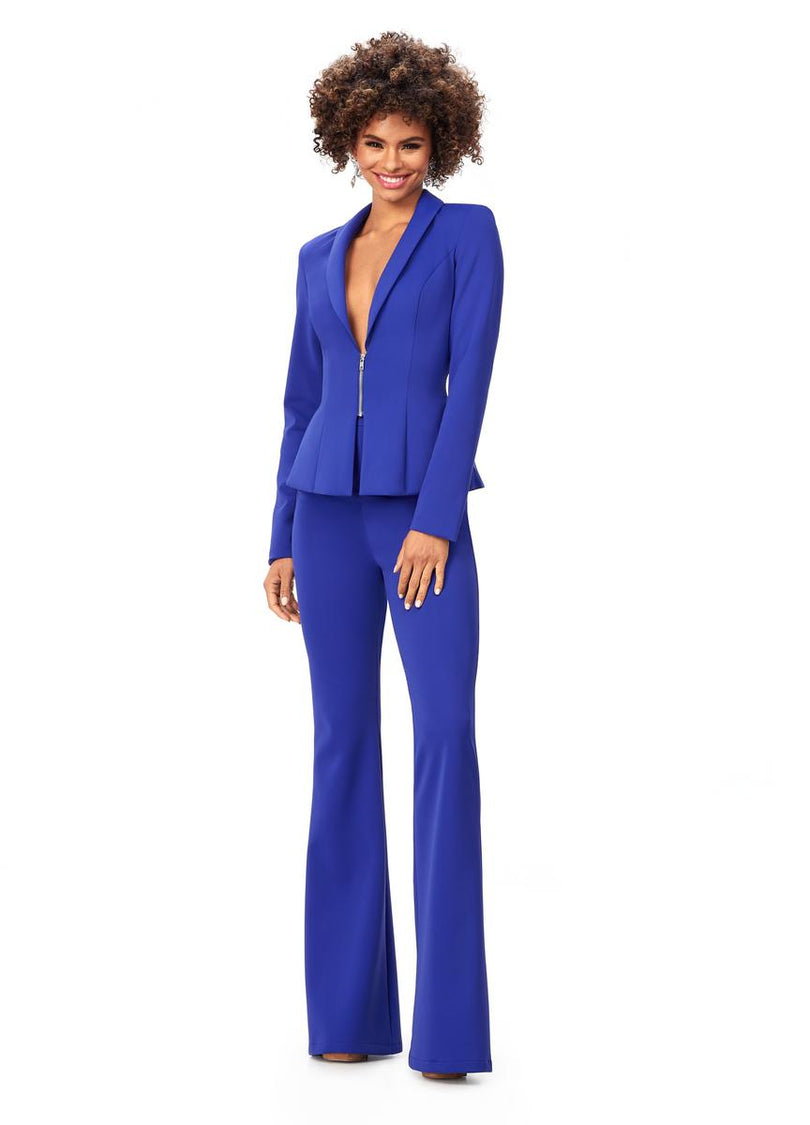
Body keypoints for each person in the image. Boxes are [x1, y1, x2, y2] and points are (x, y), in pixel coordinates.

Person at [263, 31, 504, 1080]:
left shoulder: (468, 236)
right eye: (374, 143)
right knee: (342, 746)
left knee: (444, 736)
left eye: (410, 143)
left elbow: (472, 380)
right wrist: (281, 536)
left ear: (439, 139)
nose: (393, 161)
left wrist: (435, 520)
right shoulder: (319, 255)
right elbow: (301, 402)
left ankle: (448, 1033)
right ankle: (349, 1013)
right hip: (323, 519)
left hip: (418, 521)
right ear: (347, 143)